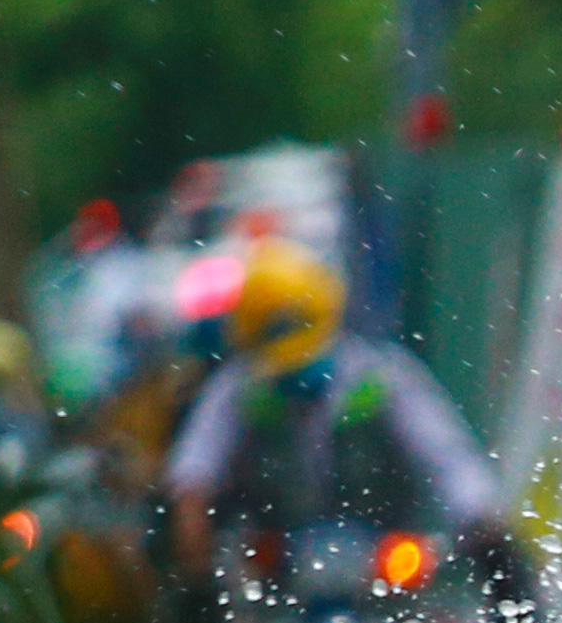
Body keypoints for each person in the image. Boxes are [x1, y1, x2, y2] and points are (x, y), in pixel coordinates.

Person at [161, 235, 503, 586]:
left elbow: (448, 458)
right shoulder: (237, 390)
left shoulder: (383, 378)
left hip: (384, 574)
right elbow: (195, 470)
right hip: (278, 579)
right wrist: (195, 558)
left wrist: (487, 533)